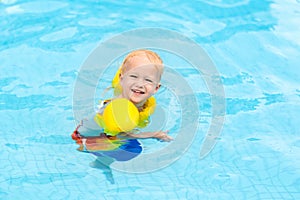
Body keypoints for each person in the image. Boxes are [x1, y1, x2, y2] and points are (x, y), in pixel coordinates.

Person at [97, 49, 173, 141]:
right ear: (122, 79)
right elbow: (119, 135)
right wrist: (154, 134)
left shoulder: (147, 103)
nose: (140, 85)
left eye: (148, 80)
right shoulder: (119, 109)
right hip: (95, 137)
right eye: (134, 77)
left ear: (156, 88)